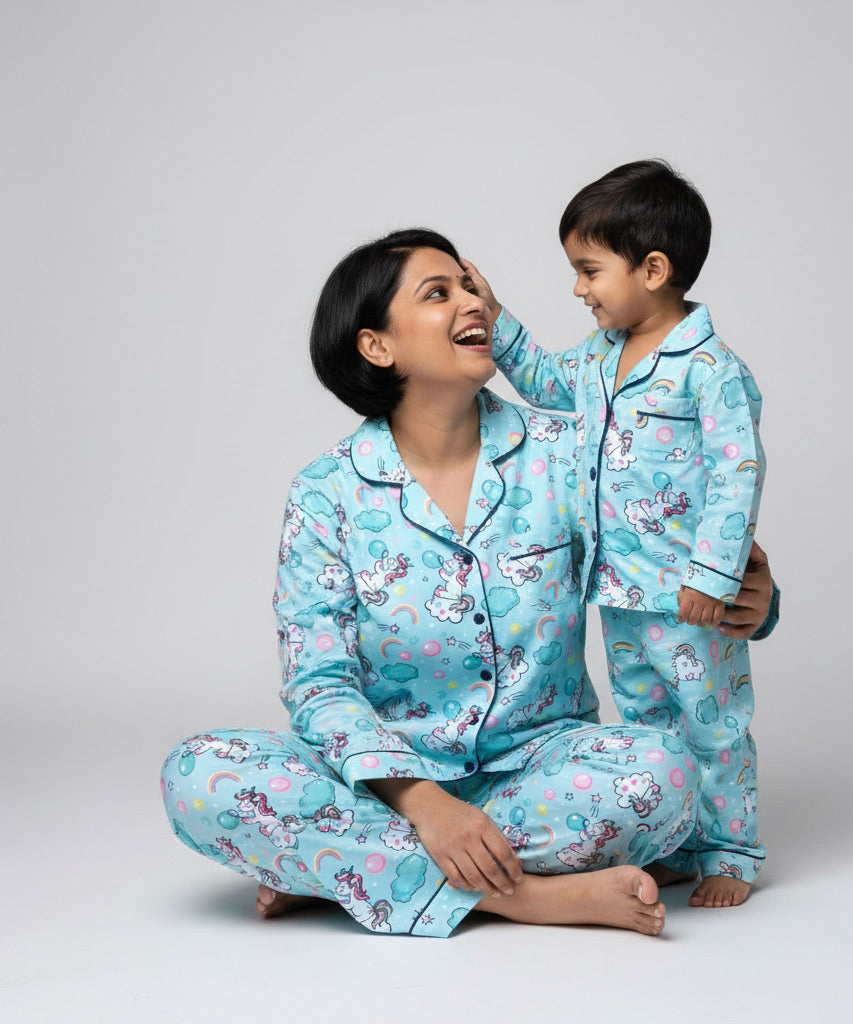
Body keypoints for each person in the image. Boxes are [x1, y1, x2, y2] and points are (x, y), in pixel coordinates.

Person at [160, 228, 777, 937]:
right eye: (438, 292)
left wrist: (753, 600)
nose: (472, 301)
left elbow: (661, 554)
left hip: (541, 769)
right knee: (197, 776)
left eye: (468, 285)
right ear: (376, 345)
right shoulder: (326, 493)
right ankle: (527, 898)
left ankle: (345, 874)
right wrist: (424, 802)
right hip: (389, 786)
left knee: (665, 773)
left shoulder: (566, 453)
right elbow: (318, 683)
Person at [472, 160, 773, 907]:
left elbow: (739, 474)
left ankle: (729, 851)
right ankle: (671, 840)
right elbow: (541, 381)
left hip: (688, 594)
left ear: (653, 269)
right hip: (618, 589)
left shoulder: (710, 370)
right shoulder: (599, 357)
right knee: (648, 728)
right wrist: (499, 315)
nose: (579, 288)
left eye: (588, 270)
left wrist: (713, 575)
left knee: (713, 726)